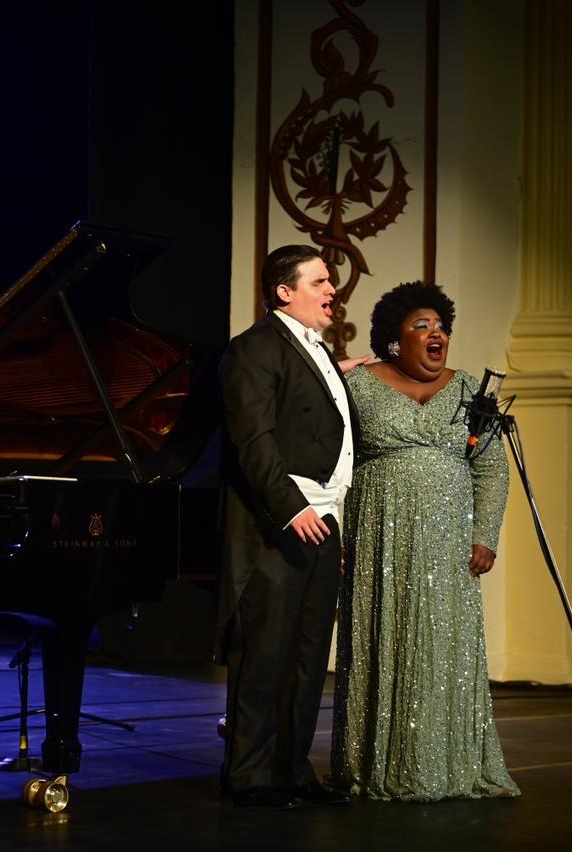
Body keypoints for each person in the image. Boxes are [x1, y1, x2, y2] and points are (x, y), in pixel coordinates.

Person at [331, 281, 520, 801]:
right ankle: (374, 764)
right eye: (422, 325)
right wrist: (335, 532)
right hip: (378, 539)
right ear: (395, 339)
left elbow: (492, 467)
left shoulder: (469, 390)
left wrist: (485, 535)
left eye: (441, 327)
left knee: (443, 648)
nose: (437, 334)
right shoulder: (358, 386)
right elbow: (330, 461)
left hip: (448, 544)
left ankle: (448, 767)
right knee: (383, 638)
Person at [217, 245, 363, 810]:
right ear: (285, 291)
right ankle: (249, 776)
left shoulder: (316, 349)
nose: (332, 290)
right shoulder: (254, 348)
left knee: (307, 654)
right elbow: (253, 441)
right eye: (320, 281)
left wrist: (328, 515)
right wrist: (290, 508)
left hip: (323, 521)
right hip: (278, 524)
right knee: (264, 653)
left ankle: (292, 771)